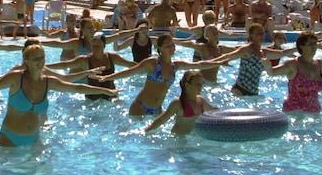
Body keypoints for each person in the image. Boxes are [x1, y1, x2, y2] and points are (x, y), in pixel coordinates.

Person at [0, 44, 117, 146]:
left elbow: (76, 88)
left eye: (42, 58)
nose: (40, 62)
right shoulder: (16, 78)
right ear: (26, 61)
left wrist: (105, 91)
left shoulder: (48, 81)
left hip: (34, 141)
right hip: (9, 140)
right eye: (36, 59)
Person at [96, 34, 228, 116]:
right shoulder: (152, 63)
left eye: (172, 45)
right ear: (159, 48)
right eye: (167, 46)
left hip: (157, 109)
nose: (171, 48)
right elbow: (130, 72)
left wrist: (218, 62)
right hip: (140, 107)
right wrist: (107, 78)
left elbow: (199, 65)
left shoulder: (176, 66)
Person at [56, 32, 137, 99]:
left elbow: (130, 65)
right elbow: (65, 65)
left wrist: (143, 67)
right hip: (92, 99)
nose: (96, 49)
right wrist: (48, 67)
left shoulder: (112, 57)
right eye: (94, 46)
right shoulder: (85, 60)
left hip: (111, 96)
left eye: (98, 46)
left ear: (104, 45)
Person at [217, 23, 291, 96]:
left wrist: (297, 48)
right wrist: (213, 62)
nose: (260, 36)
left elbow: (283, 53)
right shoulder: (246, 49)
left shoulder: (264, 52)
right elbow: (228, 56)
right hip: (239, 90)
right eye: (257, 34)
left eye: (262, 33)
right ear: (251, 35)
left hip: (253, 92)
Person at [144, 70, 217, 135]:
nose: (200, 87)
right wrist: (146, 131)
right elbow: (162, 120)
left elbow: (214, 112)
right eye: (197, 84)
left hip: (192, 138)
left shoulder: (201, 101)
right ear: (187, 85)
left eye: (201, 84)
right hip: (178, 138)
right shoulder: (178, 103)